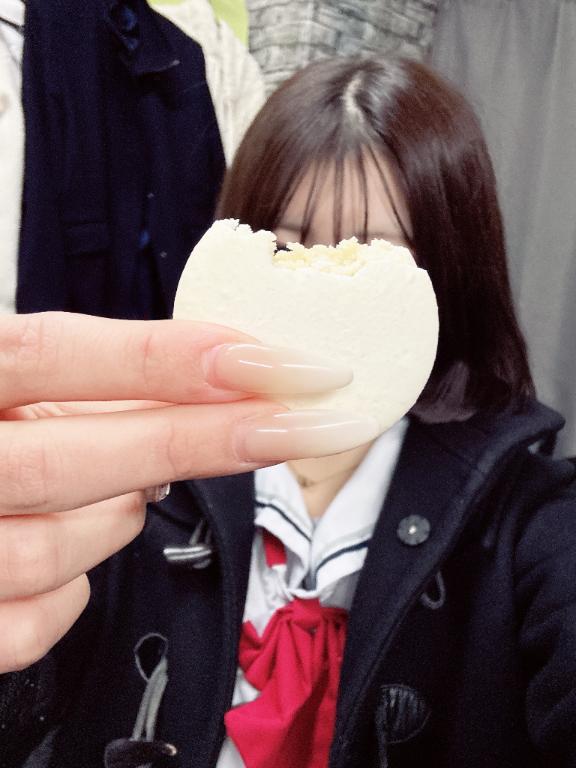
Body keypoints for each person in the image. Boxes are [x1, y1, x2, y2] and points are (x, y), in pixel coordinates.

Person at [1, 55, 575, 768]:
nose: (319, 307)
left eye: (372, 259)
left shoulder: (525, 516)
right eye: (284, 248)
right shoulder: (131, 480)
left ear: (449, 273)